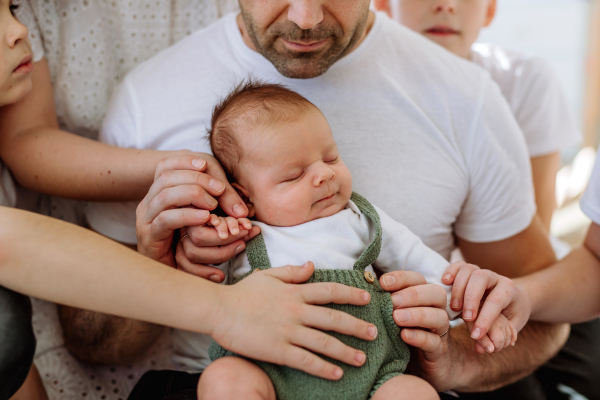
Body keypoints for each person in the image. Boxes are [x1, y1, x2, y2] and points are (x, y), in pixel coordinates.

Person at [84, 0, 567, 395]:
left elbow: (544, 316)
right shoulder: (148, 98)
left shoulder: (465, 98)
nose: (306, 18)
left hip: (379, 377)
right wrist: (160, 262)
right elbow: (95, 344)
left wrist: (455, 357)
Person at [0, 2, 390, 398]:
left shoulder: (449, 90)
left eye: (13, 9)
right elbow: (22, 255)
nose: (21, 31)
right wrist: (200, 291)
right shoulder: (148, 97)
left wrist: (450, 331)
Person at [195, 80, 531, 400]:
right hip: (266, 371)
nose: (324, 174)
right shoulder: (238, 231)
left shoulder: (359, 218)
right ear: (245, 198)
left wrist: (475, 307)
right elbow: (194, 283)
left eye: (330, 158)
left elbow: (424, 264)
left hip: (371, 373)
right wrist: (203, 238)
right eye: (294, 175)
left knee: (413, 392)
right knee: (224, 379)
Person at [373, 0, 592, 398]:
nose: (445, 5)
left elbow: (534, 229)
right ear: (385, 6)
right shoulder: (377, 90)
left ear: (489, 12)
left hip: (530, 284)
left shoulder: (521, 79)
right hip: (447, 298)